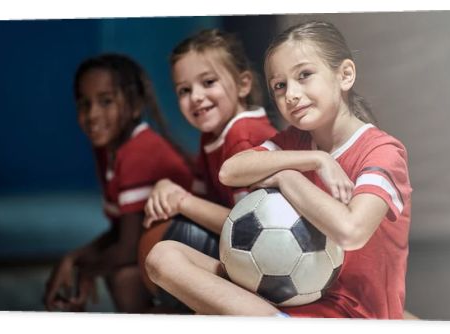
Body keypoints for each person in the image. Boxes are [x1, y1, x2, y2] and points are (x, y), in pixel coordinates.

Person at [144, 21, 412, 319]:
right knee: (163, 256)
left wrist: (287, 177)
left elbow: (351, 232)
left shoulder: (382, 151)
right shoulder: (294, 142)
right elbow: (230, 172)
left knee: (205, 314)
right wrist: (311, 162)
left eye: (304, 75)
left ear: (345, 75)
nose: (292, 94)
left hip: (349, 313)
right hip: (285, 295)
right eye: (280, 85)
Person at [43, 53, 193, 313]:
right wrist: (73, 258)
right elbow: (120, 229)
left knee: (124, 276)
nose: (92, 114)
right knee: (118, 270)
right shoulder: (109, 150)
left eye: (106, 101)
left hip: (197, 254)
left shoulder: (139, 151)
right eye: (84, 103)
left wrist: (85, 272)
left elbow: (126, 247)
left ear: (135, 105)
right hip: (162, 249)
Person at [141, 28, 276, 264]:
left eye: (208, 82)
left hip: (272, 250)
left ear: (243, 84)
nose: (196, 96)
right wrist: (166, 187)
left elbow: (248, 227)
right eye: (184, 90)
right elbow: (201, 195)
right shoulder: (211, 136)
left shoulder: (242, 137)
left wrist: (182, 202)